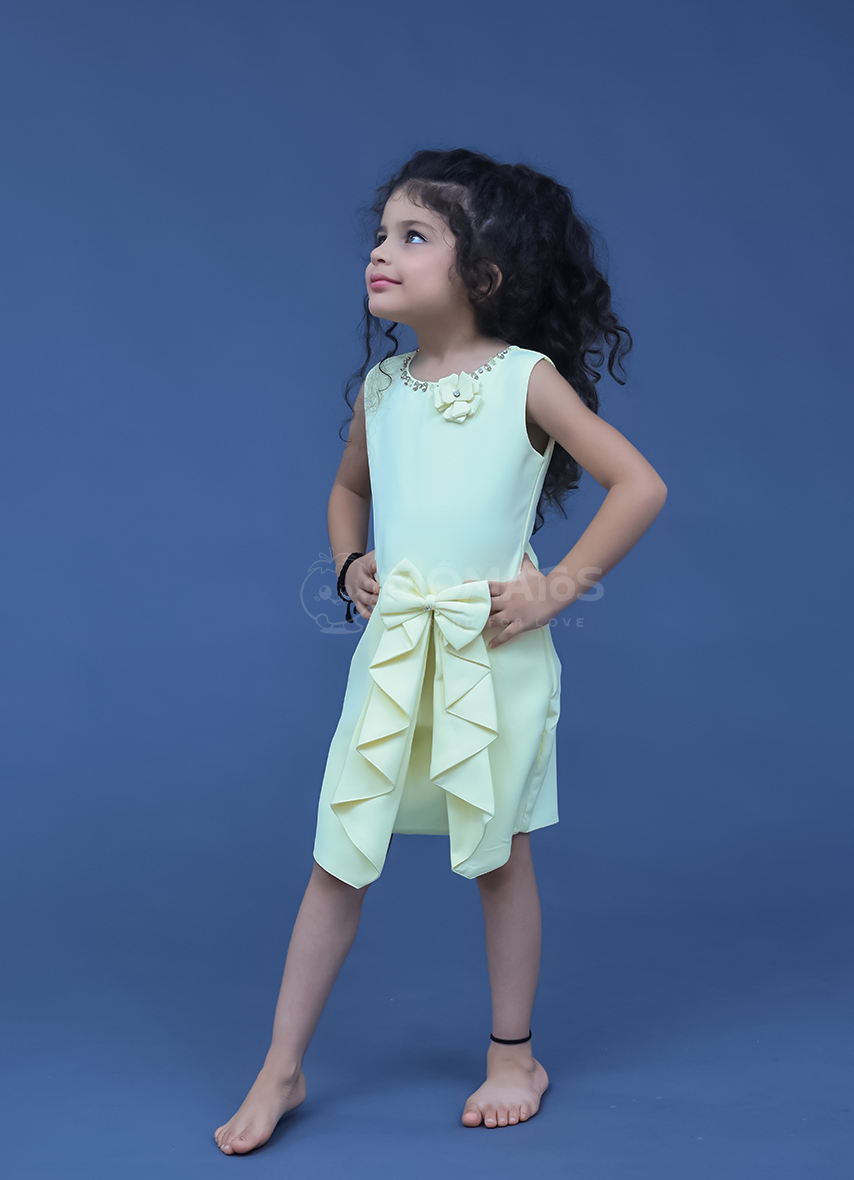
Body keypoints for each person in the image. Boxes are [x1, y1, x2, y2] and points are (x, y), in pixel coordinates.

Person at [214, 147, 668, 1154]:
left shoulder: (524, 381)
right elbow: (348, 492)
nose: (380, 252)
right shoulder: (382, 390)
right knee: (340, 854)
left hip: (489, 657)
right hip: (391, 657)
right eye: (380, 234)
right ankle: (282, 1065)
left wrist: (554, 588)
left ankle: (514, 1055)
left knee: (497, 856)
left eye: (412, 235)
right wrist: (349, 564)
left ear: (486, 272)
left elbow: (639, 484)